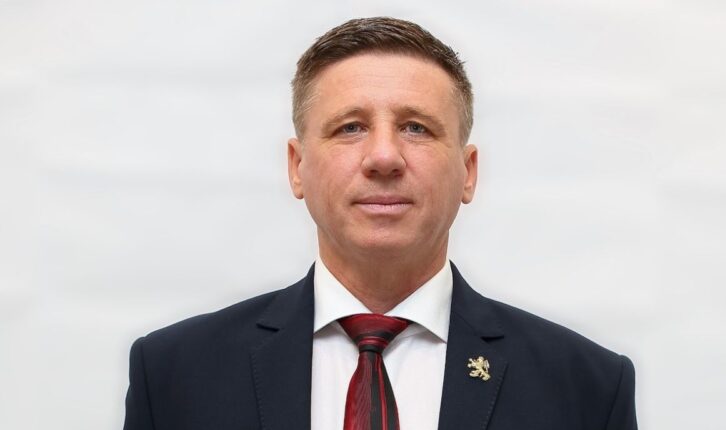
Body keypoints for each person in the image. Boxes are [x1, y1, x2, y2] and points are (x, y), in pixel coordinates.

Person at [123, 17, 637, 430]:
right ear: (297, 167)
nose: (384, 157)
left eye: (416, 128)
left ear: (468, 173)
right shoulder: (175, 374)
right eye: (351, 128)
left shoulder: (587, 387)